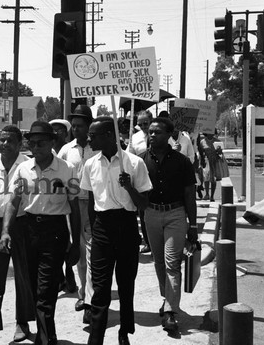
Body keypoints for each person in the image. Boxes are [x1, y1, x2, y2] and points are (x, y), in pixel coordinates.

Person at [0, 121, 81, 345]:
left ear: (52, 143)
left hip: (55, 232)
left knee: (46, 289)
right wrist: (6, 231)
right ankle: (47, 334)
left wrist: (75, 244)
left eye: (41, 143)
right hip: (29, 231)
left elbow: (74, 209)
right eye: (32, 143)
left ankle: (45, 339)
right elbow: (13, 202)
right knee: (36, 288)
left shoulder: (66, 169)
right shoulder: (23, 169)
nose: (35, 148)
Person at [81, 117, 152, 345]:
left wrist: (129, 187)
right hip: (102, 227)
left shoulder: (133, 163)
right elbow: (91, 200)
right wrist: (92, 229)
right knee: (100, 287)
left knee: (125, 284)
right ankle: (96, 337)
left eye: (94, 135)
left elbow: (143, 204)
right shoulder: (91, 164)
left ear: (109, 136)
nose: (89, 139)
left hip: (126, 226)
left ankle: (125, 331)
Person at [140, 118, 198, 332]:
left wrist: (193, 226)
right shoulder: (140, 160)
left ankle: (171, 312)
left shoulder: (182, 162)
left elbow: (190, 195)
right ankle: (167, 300)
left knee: (172, 262)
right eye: (150, 132)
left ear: (169, 135)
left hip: (176, 215)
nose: (151, 135)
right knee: (159, 263)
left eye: (157, 132)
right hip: (151, 215)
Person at [0, 126, 35, 345]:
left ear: (20, 143)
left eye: (10, 140)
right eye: (2, 140)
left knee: (23, 278)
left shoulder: (29, 166)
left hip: (22, 227)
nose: (4, 144)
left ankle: (23, 323)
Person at [57, 104, 98, 324]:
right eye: (73, 126)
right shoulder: (66, 150)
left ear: (89, 126)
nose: (75, 129)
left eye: (80, 126)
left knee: (93, 255)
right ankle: (84, 293)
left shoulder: (99, 146)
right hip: (72, 208)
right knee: (80, 256)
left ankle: (90, 301)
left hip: (95, 207)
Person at [49, 118, 77, 294]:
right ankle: (60, 277)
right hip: (53, 203)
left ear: (66, 133)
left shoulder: (68, 151)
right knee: (57, 241)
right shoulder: (47, 151)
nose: (56, 133)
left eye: (59, 130)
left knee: (70, 239)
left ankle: (69, 272)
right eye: (53, 130)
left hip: (70, 200)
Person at [127, 109, 153, 253]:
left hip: (157, 177)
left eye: (145, 123)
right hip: (141, 178)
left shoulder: (160, 134)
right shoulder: (134, 138)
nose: (143, 126)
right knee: (143, 212)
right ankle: (148, 242)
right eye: (140, 124)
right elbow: (129, 156)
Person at [197, 131, 222, 202]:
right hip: (206, 161)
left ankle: (212, 196)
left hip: (214, 161)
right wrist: (201, 161)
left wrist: (219, 153)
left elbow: (221, 154)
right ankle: (207, 194)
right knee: (206, 178)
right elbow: (201, 152)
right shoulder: (202, 142)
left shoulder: (217, 141)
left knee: (213, 179)